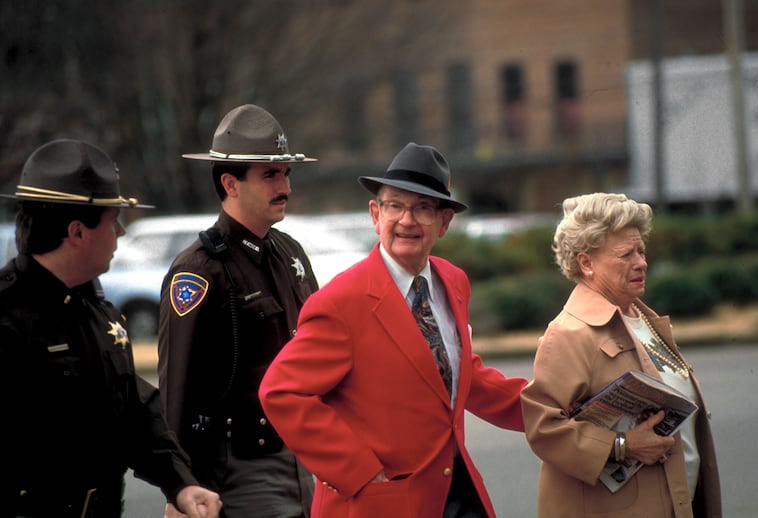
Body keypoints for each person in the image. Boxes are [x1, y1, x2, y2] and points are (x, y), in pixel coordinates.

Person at [259, 142, 529, 518]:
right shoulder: (343, 301)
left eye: (422, 208)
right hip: (378, 503)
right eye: (395, 206)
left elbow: (457, 375)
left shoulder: (453, 282)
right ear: (375, 214)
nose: (407, 220)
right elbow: (282, 392)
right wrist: (360, 473)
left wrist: (547, 405)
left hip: (456, 493)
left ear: (444, 222)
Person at [0, 139, 222, 518]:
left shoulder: (99, 313)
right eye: (111, 219)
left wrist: (180, 483)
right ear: (77, 232)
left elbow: (133, 410)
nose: (120, 231)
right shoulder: (8, 321)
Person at [520, 192, 722, 517]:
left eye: (641, 250)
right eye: (625, 254)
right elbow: (543, 428)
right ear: (586, 263)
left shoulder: (643, 319)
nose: (641, 262)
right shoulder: (569, 333)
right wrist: (622, 446)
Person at [158, 104, 317, 518]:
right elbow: (179, 386)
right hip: (242, 468)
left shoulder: (289, 254)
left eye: (285, 173)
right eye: (269, 175)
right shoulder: (199, 271)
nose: (284, 185)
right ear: (230, 183)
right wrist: (180, 487)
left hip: (304, 457)